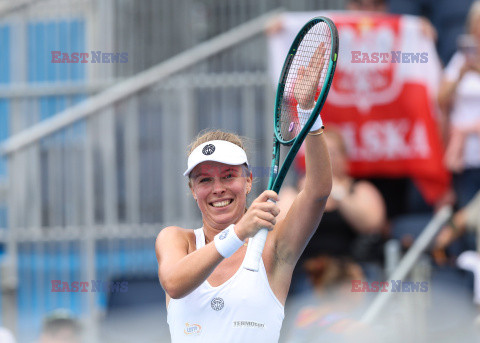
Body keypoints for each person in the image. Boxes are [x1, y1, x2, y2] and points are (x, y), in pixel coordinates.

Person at [155, 45, 332, 343]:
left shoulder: (274, 247)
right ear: (193, 190)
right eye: (205, 180)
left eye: (228, 176)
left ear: (249, 181)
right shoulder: (175, 239)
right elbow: (173, 283)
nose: (218, 188)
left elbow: (317, 191)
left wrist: (307, 112)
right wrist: (238, 232)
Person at [438, 0, 480, 208]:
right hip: (465, 156)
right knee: (466, 215)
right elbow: (441, 100)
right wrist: (461, 75)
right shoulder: (460, 59)